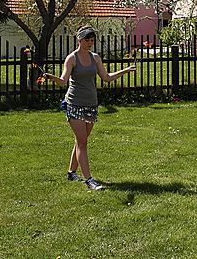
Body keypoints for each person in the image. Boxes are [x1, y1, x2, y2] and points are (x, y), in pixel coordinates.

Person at [42, 25, 136, 190]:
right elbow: (63, 81)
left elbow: (106, 78)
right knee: (82, 142)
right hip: (74, 103)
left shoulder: (96, 58)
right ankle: (89, 180)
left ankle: (72, 172)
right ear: (79, 40)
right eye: (87, 39)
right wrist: (52, 77)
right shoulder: (72, 58)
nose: (90, 42)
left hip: (91, 104)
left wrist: (125, 70)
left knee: (81, 141)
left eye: (92, 40)